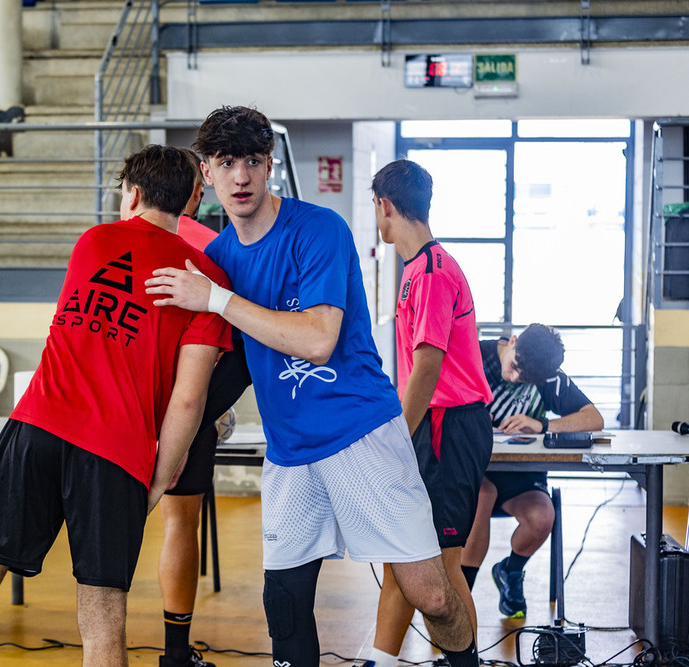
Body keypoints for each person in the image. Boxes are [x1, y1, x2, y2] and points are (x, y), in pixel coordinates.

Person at [146, 106, 478, 667]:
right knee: (285, 600)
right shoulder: (218, 260)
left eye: (252, 161)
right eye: (226, 164)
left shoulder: (318, 229)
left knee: (433, 595)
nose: (241, 177)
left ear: (269, 165)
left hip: (361, 433)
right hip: (290, 452)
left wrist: (216, 299)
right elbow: (213, 369)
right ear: (206, 174)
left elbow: (319, 338)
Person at [0, 144, 233, 667]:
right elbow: (189, 399)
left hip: (34, 427)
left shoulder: (92, 241)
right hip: (115, 454)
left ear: (131, 192)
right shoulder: (206, 281)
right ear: (193, 198)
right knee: (102, 622)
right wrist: (158, 479)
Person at [370, 158, 493, 667]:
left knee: (441, 567)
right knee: (404, 554)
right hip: (435, 425)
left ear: (386, 207)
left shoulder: (433, 273)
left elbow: (426, 369)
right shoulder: (418, 269)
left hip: (448, 426)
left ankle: (466, 663)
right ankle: (379, 659)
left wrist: (398, 436)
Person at [158, 147, 253, 667]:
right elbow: (234, 341)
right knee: (179, 523)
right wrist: (213, 405)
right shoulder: (214, 247)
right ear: (200, 185)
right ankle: (174, 654)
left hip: (140, 401)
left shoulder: (104, 243)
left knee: (113, 526)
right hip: (189, 402)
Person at [461, 323, 604, 618]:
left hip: (521, 476)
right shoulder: (473, 355)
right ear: (512, 341)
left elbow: (594, 418)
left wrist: (544, 425)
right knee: (483, 494)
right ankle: (459, 607)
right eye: (514, 367)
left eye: (524, 378)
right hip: (477, 471)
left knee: (543, 517)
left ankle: (510, 572)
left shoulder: (545, 375)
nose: (514, 378)